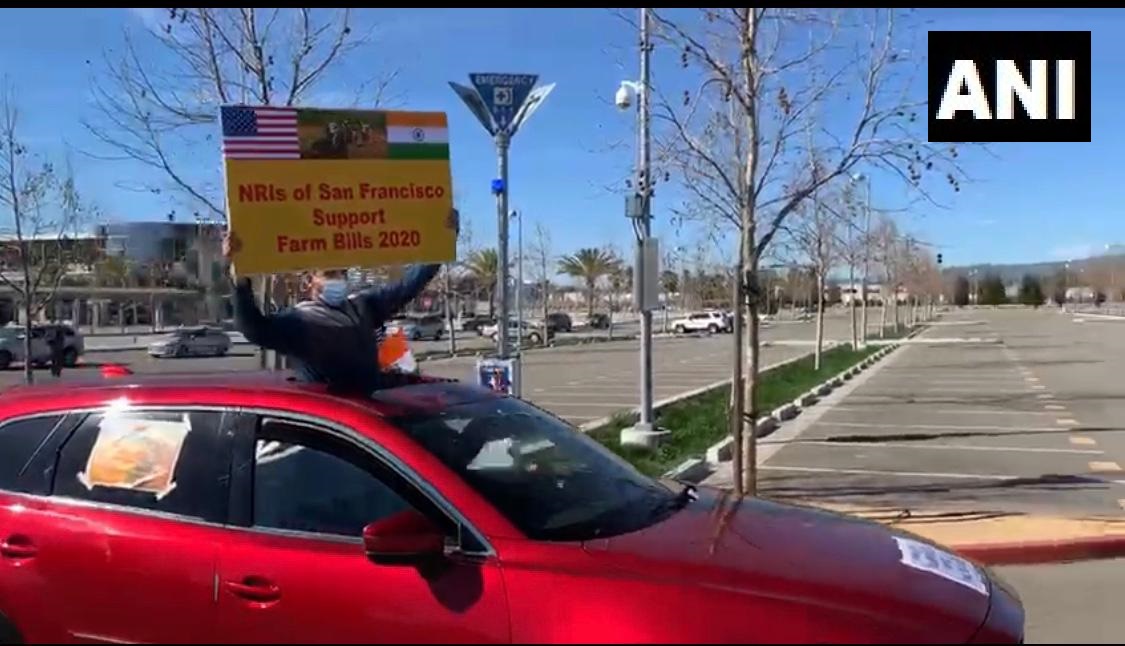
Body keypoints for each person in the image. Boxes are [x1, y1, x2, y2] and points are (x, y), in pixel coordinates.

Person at [224, 209, 458, 394]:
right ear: (310, 282)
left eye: (341, 274)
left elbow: (409, 284)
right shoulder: (297, 322)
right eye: (329, 274)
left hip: (375, 422)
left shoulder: (363, 306)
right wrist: (240, 275)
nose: (337, 280)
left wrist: (443, 240)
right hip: (336, 430)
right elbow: (253, 328)